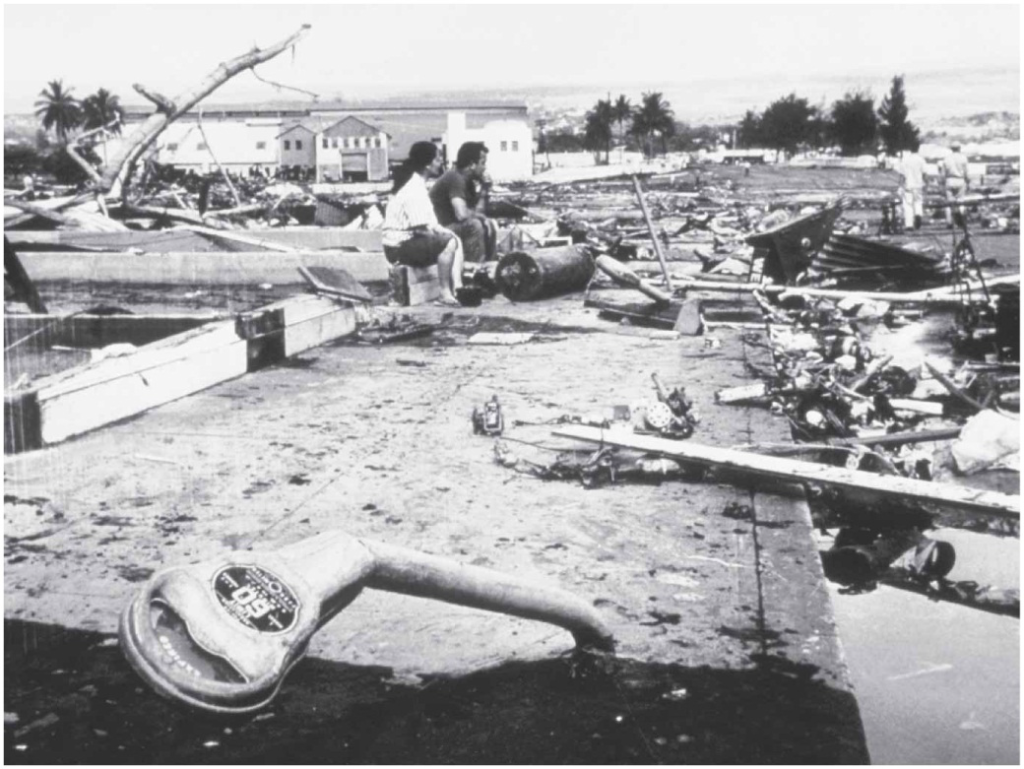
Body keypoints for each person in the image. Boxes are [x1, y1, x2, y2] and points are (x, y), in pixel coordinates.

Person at [382, 141, 464, 306]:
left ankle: (458, 288)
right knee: (447, 242)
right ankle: (444, 292)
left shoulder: (418, 184)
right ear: (427, 164)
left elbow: (430, 224)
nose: (440, 162)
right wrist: (444, 238)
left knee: (453, 238)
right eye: (437, 158)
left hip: (406, 242)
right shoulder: (413, 189)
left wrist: (448, 234)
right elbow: (421, 230)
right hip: (397, 248)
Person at [429, 141, 497, 263]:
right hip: (438, 229)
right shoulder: (455, 178)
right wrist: (480, 217)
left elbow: (477, 212)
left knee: (489, 223)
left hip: (448, 226)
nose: (485, 167)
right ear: (471, 164)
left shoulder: (468, 181)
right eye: (482, 163)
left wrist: (484, 190)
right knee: (474, 226)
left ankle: (488, 265)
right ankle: (472, 268)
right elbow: (462, 214)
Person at [897, 142, 927, 231]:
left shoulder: (905, 160)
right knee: (918, 202)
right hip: (918, 185)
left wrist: (900, 185)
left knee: (908, 205)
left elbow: (901, 175)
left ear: (910, 149)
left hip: (908, 185)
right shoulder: (921, 160)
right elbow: (925, 173)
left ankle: (909, 224)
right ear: (918, 149)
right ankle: (918, 214)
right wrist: (926, 184)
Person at [941, 143, 970, 227]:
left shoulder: (947, 159)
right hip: (960, 180)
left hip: (949, 180)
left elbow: (943, 173)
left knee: (950, 202)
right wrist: (968, 182)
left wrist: (942, 183)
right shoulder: (963, 158)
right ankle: (961, 220)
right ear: (959, 148)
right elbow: (966, 172)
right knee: (960, 201)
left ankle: (950, 222)